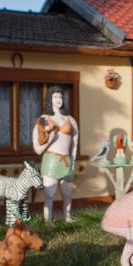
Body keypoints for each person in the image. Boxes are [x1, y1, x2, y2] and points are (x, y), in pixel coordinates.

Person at [32, 86, 78, 222]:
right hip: (51, 160)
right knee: (49, 194)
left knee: (68, 193)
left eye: (61, 96)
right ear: (49, 99)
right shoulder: (44, 119)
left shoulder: (70, 119)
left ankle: (67, 217)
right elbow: (37, 148)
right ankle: (48, 221)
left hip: (66, 160)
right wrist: (50, 137)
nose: (59, 100)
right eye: (55, 97)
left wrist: (73, 161)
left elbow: (75, 143)